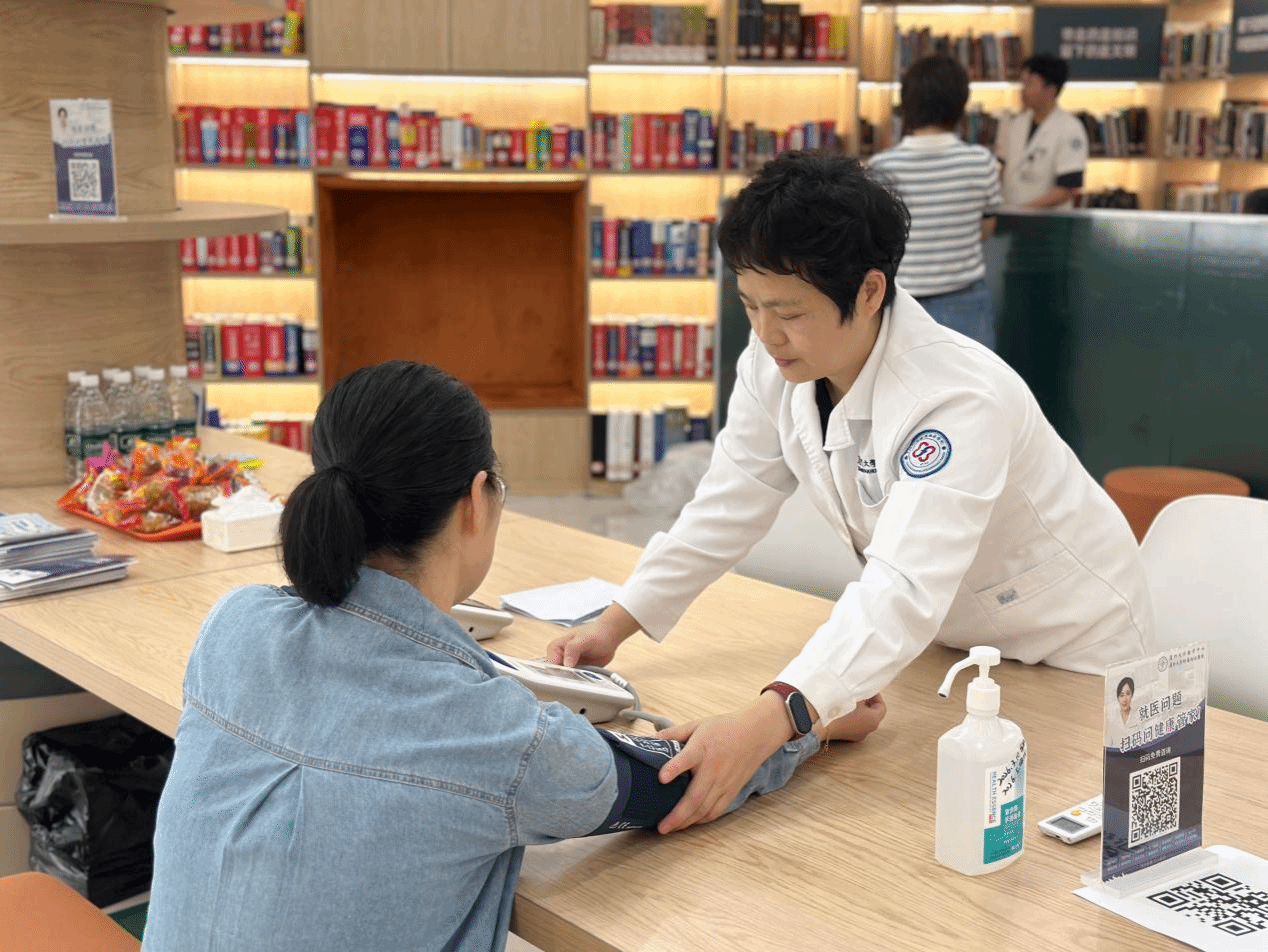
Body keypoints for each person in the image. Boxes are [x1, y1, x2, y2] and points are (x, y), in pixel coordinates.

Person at [142, 360, 885, 952]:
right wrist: (807, 721)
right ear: (477, 500)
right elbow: (678, 777)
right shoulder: (501, 739)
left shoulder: (234, 626)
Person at [548, 152, 1152, 835]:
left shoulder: (955, 399)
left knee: (1023, 837)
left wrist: (772, 718)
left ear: (869, 291)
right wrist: (616, 621)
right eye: (750, 305)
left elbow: (903, 584)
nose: (767, 334)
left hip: (1073, 649)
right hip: (955, 648)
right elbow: (728, 501)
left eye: (788, 311)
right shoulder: (776, 363)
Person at [869, 55, 1003, 348]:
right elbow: (987, 229)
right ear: (960, 104)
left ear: (907, 105)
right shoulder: (981, 162)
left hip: (901, 303)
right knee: (974, 376)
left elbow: (878, 240)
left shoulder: (882, 167)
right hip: (965, 299)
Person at [996, 53, 1089, 208]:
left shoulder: (1070, 128)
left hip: (1047, 219)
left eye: (1029, 84)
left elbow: (1068, 188)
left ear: (1050, 91)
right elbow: (1003, 168)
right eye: (1022, 83)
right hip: (1011, 214)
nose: (1023, 90)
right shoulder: (1014, 123)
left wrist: (1026, 210)